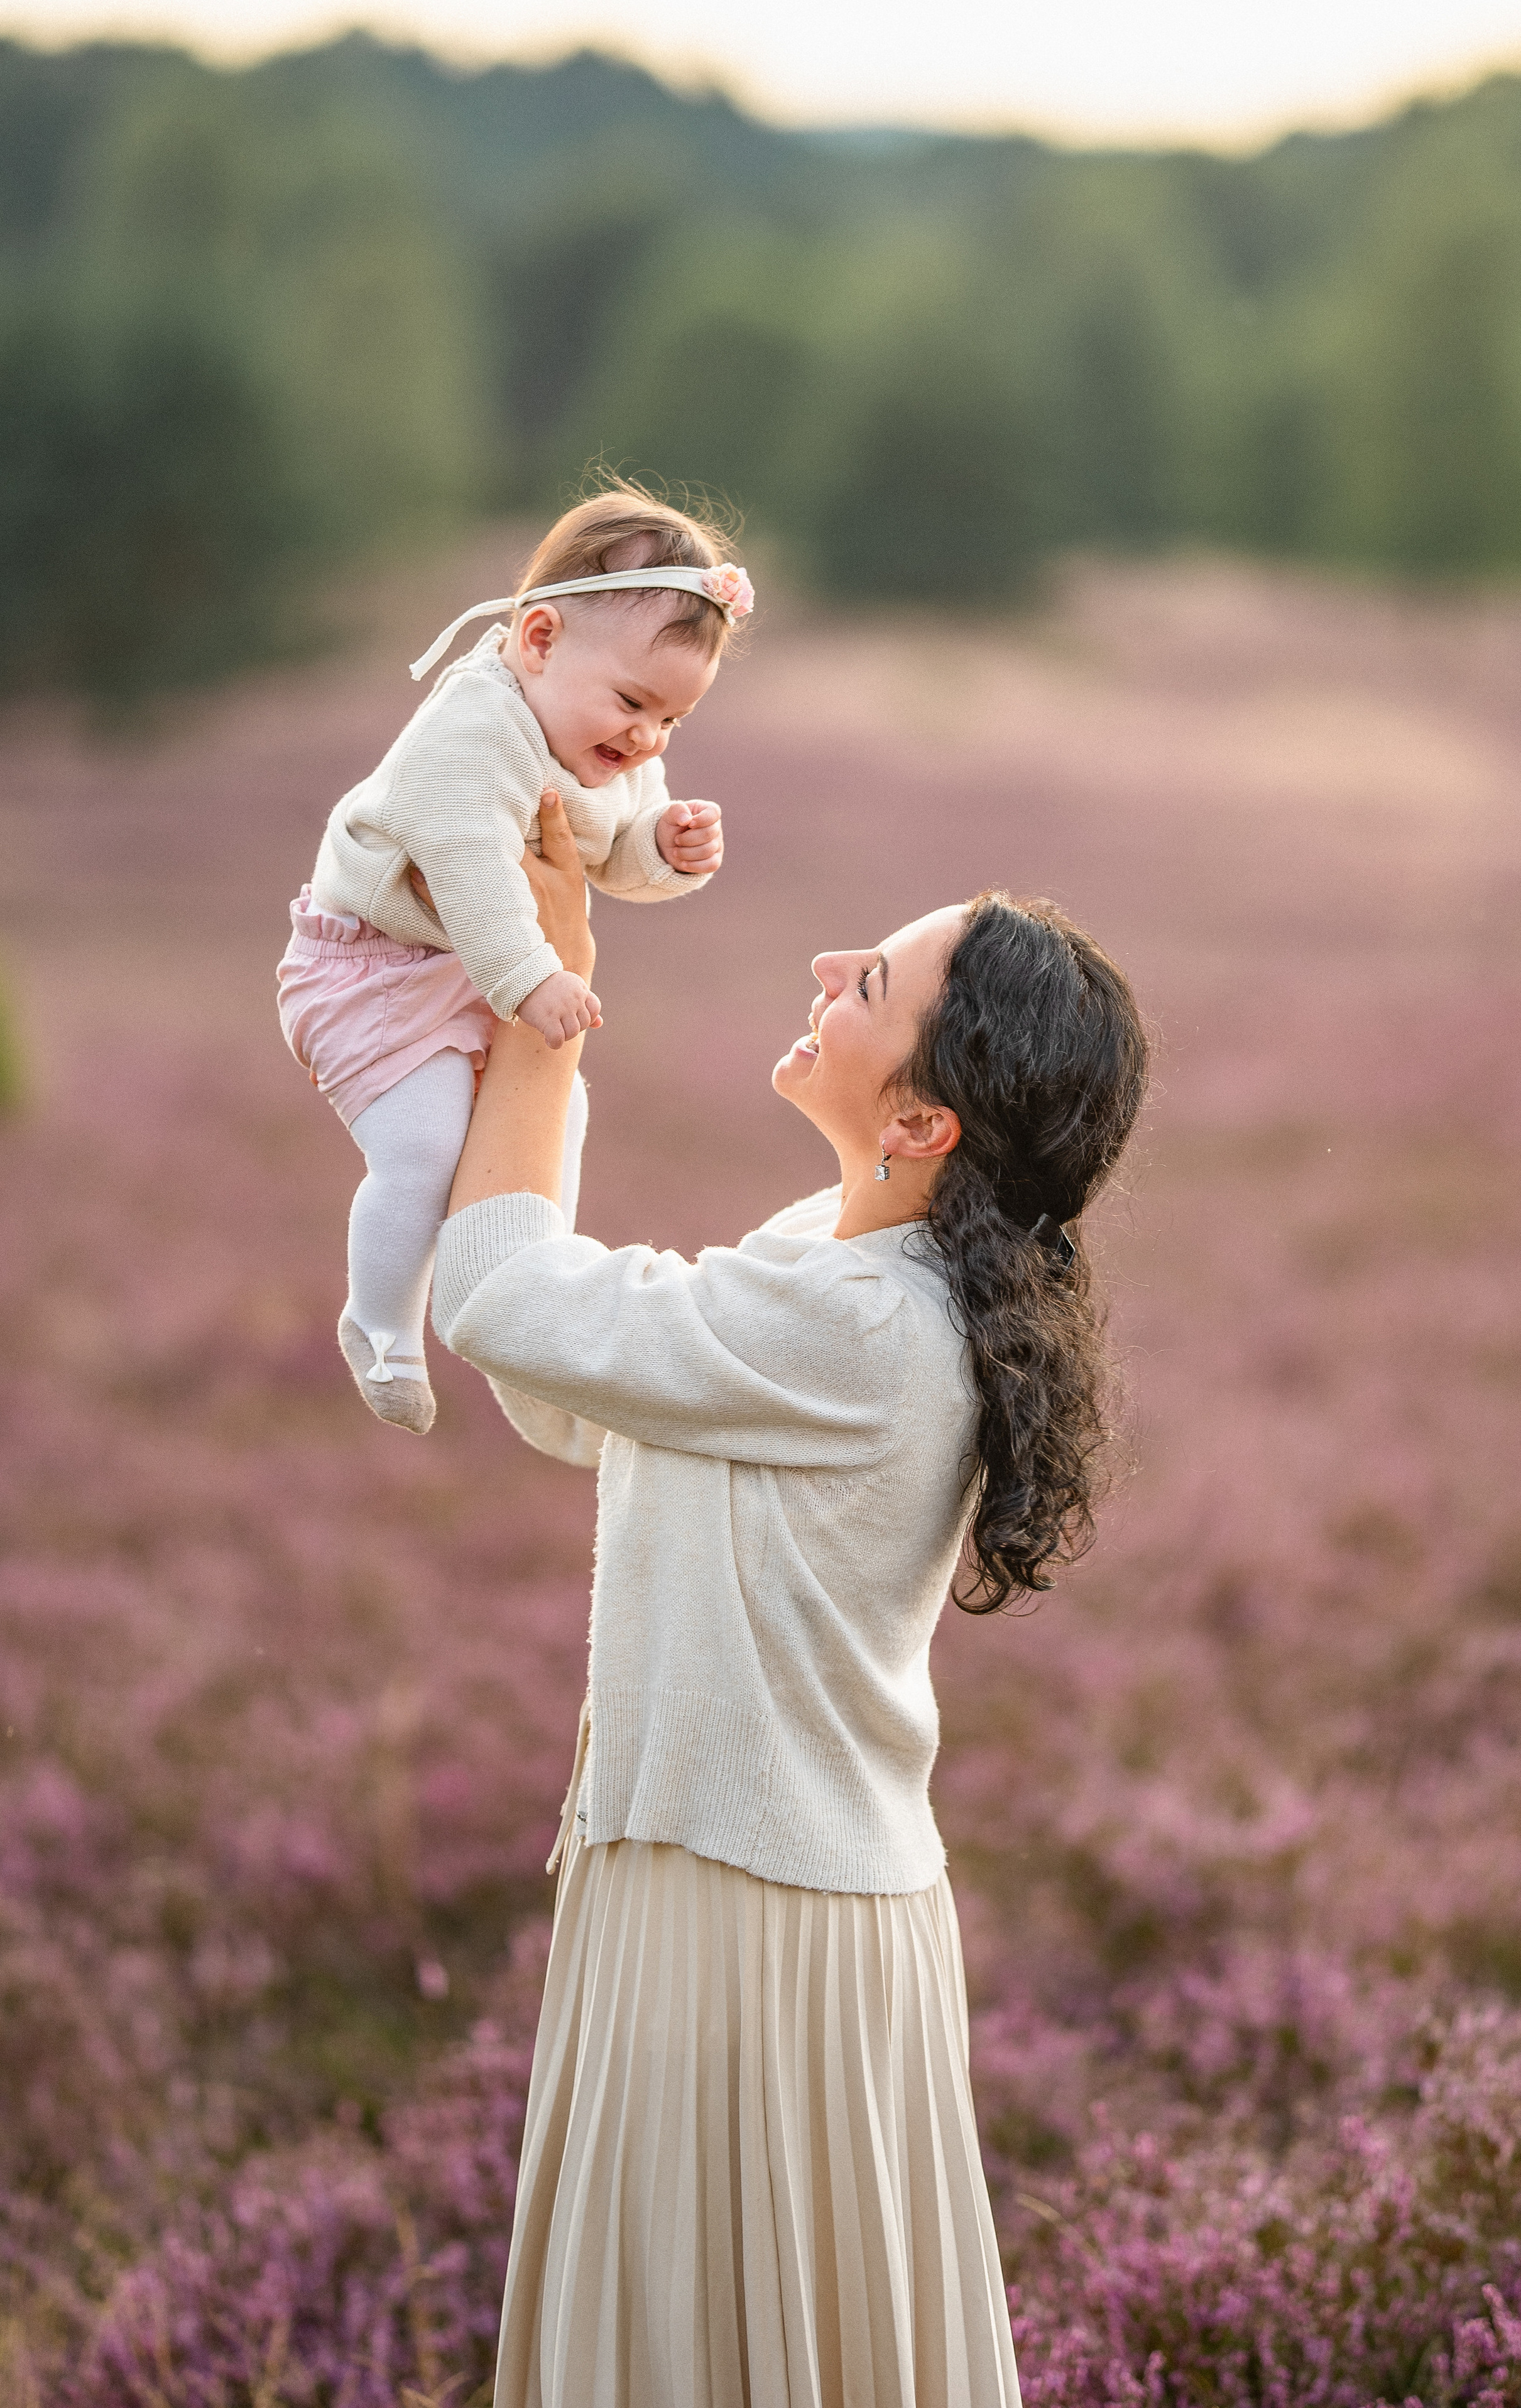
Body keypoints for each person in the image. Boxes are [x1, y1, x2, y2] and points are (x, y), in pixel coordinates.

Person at [433, 798, 1150, 2408]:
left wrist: (535, 999)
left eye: (871, 986)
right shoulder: (823, 1266)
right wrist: (535, 991)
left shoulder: (859, 1321)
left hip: (745, 1902)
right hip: (727, 1877)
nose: (826, 966)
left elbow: (495, 1301)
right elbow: (565, 1389)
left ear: (922, 1127)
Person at [275, 480, 753, 1434]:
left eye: (672, 721)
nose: (647, 738)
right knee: (423, 1149)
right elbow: (472, 871)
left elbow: (603, 853)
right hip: (366, 966)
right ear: (537, 641)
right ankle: (379, 1325)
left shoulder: (605, 740)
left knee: (558, 1107)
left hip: (470, 964)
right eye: (632, 703)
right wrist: (532, 979)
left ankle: (532, 1286)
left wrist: (664, 845)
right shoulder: (472, 728)